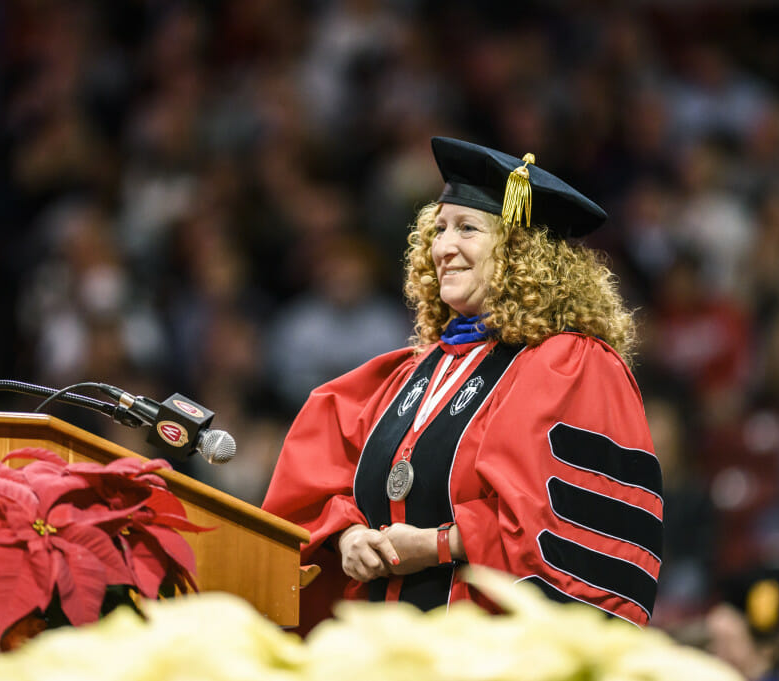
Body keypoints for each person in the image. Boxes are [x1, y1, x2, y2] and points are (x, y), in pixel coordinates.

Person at [262, 136, 663, 632]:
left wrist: (437, 545)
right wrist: (347, 538)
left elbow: (564, 532)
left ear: (521, 251)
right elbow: (318, 488)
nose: (443, 248)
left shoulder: (569, 366)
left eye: (467, 228)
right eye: (439, 228)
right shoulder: (409, 375)